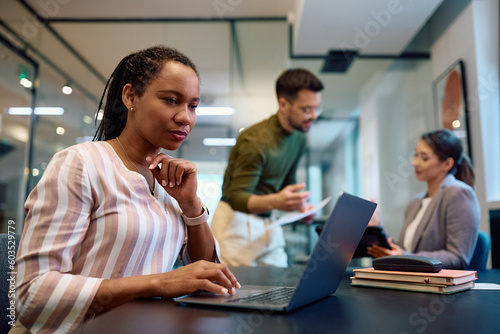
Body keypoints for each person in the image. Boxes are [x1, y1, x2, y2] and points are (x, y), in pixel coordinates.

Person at [11, 46, 239, 333]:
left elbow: (206, 272)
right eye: (171, 100)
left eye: (193, 105)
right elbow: (32, 294)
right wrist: (158, 283)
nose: (185, 117)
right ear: (131, 96)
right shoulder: (81, 163)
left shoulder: (170, 181)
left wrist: (192, 206)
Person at [210, 68, 324, 267]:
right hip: (235, 223)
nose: (314, 116)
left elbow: (288, 183)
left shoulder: (299, 139)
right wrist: (277, 201)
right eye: (306, 109)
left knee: (278, 287)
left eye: (316, 108)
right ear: (283, 104)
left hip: (268, 221)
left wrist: (300, 207)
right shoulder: (255, 141)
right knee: (235, 293)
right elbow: (237, 198)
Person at [367, 129, 480, 269]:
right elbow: (405, 250)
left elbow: (457, 257)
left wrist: (404, 256)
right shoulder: (416, 202)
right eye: (416, 155)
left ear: (447, 164)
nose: (415, 162)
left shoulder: (459, 193)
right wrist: (376, 227)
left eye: (424, 158)